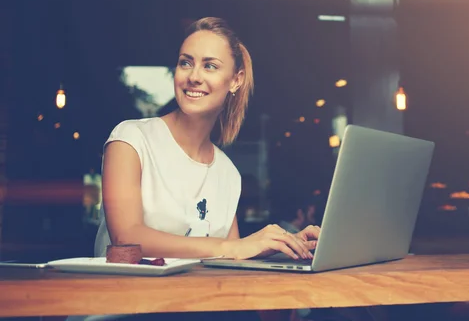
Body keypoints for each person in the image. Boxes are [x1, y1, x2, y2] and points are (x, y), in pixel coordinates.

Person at [65, 18, 320, 321]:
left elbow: (232, 263)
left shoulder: (228, 173)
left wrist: (284, 247)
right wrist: (232, 247)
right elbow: (126, 237)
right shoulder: (130, 138)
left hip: (196, 308)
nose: (193, 76)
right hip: (125, 310)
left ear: (236, 80)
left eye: (210, 66)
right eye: (186, 63)